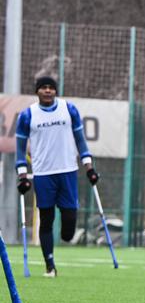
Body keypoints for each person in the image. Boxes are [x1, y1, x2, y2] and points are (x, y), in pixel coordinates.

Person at [14, 76, 100, 277]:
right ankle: (49, 265)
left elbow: (80, 140)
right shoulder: (28, 115)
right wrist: (22, 175)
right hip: (43, 173)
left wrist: (89, 167)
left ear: (55, 91)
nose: (47, 91)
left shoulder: (69, 109)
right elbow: (19, 149)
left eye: (51, 88)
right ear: (37, 91)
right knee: (46, 219)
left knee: (69, 224)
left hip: (68, 170)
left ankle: (65, 237)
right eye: (43, 88)